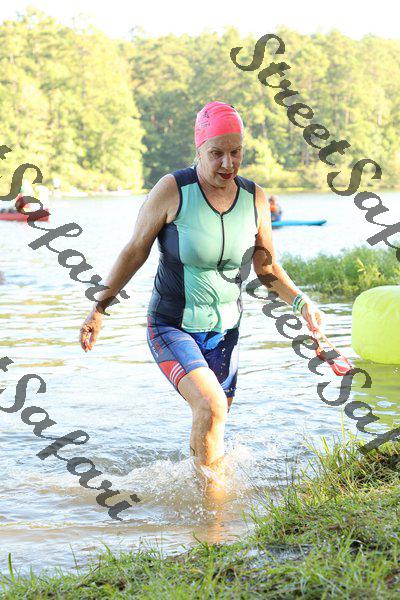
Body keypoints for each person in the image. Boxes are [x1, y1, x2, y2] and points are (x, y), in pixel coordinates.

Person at [79, 101, 324, 490]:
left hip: (226, 332)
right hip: (172, 326)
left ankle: (194, 497)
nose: (228, 163)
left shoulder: (254, 197)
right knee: (211, 407)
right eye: (217, 153)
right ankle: (214, 510)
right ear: (199, 149)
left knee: (214, 419)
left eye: (236, 152)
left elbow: (266, 268)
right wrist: (99, 307)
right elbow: (134, 251)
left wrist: (301, 303)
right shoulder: (173, 190)